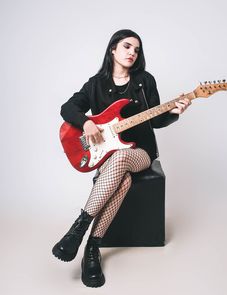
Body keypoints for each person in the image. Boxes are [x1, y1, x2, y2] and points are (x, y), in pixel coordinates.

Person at [52, 29, 191, 288]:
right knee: (123, 180)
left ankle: (76, 231)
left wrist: (175, 112)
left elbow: (157, 119)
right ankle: (91, 248)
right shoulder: (95, 84)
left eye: (136, 50)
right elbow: (67, 108)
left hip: (139, 152)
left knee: (123, 156)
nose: (132, 53)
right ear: (113, 50)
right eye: (127, 46)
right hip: (109, 155)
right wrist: (85, 123)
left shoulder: (145, 80)